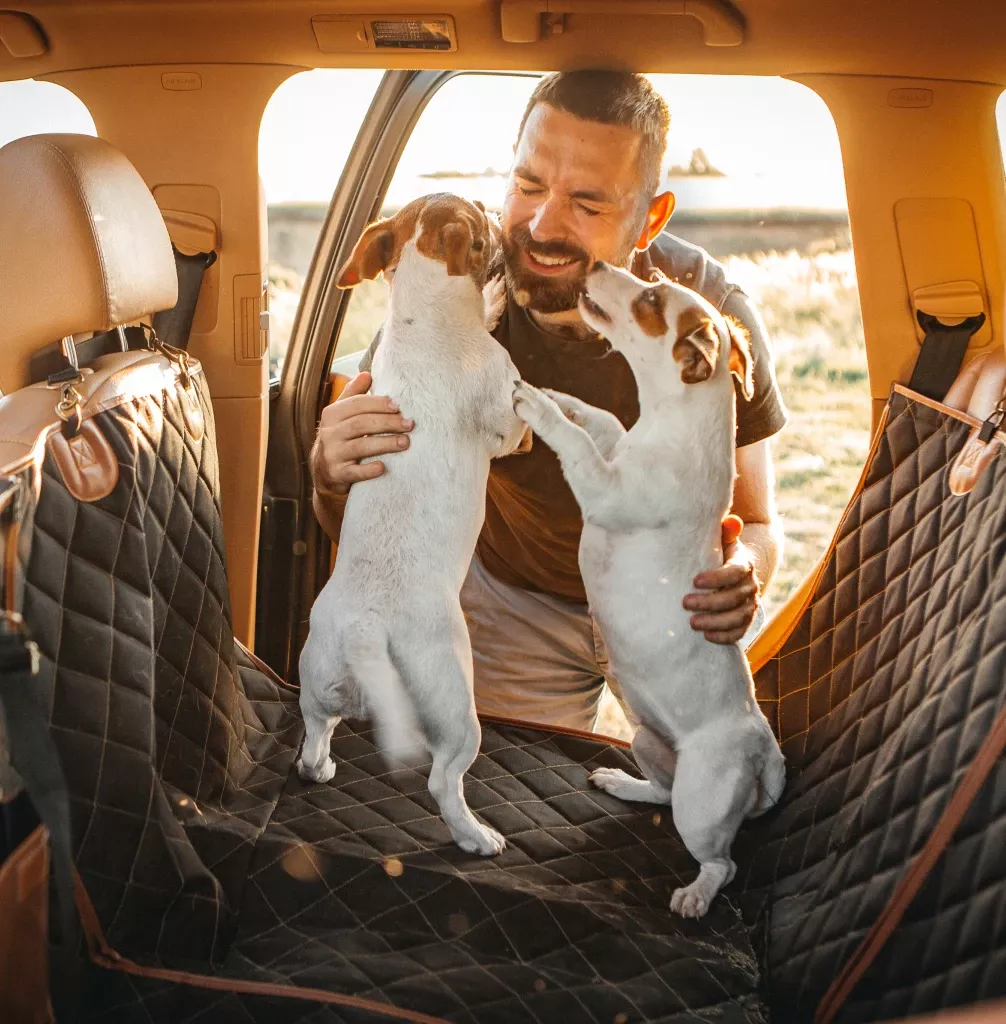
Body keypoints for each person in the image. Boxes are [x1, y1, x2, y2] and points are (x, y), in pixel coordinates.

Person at [310, 70, 787, 733]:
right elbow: (375, 518)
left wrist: (744, 571)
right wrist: (333, 472)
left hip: (670, 604)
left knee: (719, 803)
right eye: (528, 186)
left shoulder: (704, 315)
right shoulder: (457, 287)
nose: (540, 224)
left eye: (588, 204)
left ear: (649, 218)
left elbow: (758, 523)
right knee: (502, 804)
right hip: (513, 604)